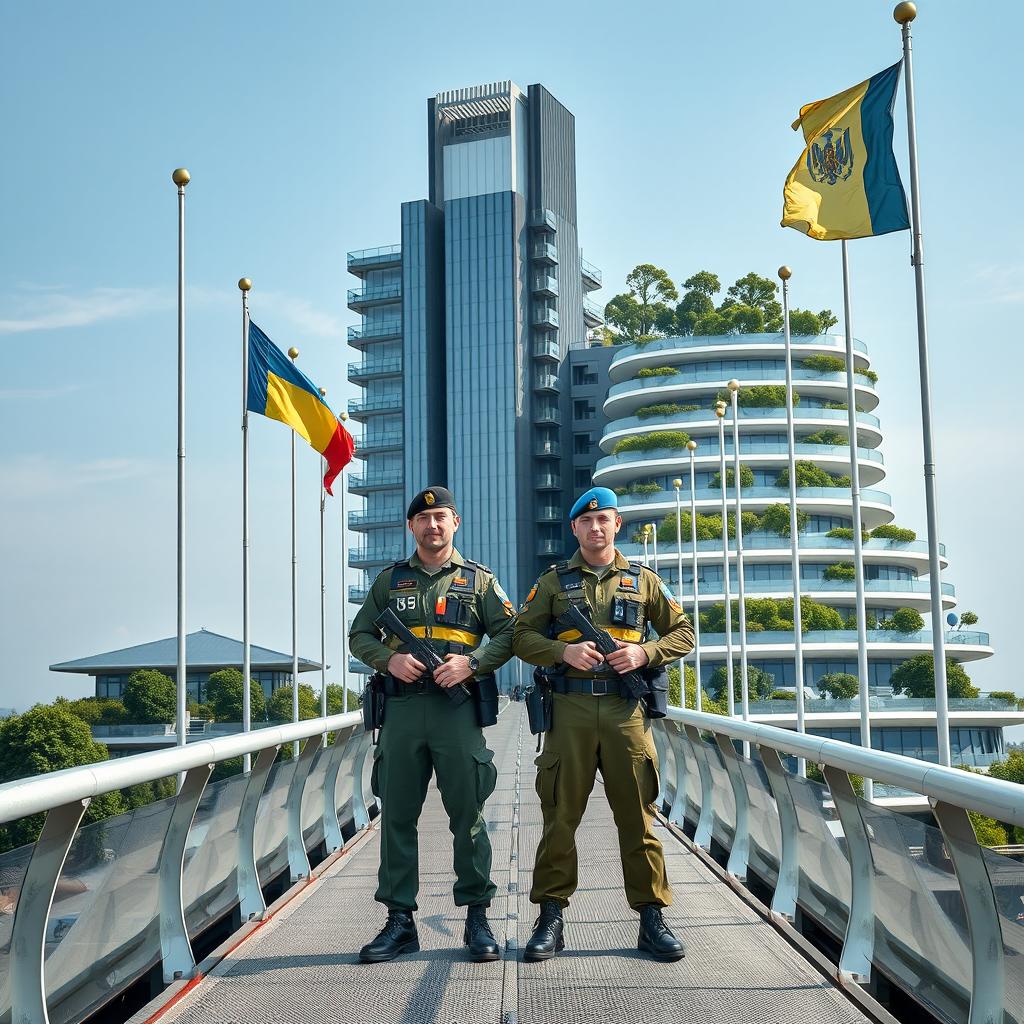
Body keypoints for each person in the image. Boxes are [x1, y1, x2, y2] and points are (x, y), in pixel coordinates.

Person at [513, 486, 694, 962]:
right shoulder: (552, 582)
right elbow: (520, 636)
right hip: (569, 711)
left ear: (618, 525)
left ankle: (652, 918)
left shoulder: (645, 581)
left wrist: (645, 652)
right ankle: (551, 917)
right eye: (586, 522)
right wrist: (562, 651)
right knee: (559, 818)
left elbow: (685, 632)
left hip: (625, 712)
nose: (596, 528)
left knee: (638, 819)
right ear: (574, 528)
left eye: (605, 520)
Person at [349, 485, 516, 963]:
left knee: (468, 815)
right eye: (423, 520)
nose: (432, 526)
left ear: (455, 523)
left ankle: (477, 918)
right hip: (400, 712)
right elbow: (359, 633)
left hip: (456, 713)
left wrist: (473, 664)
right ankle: (399, 922)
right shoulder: (390, 581)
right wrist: (387, 661)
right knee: (397, 817)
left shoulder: (479, 582)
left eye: (441, 517)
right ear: (411, 527)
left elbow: (509, 632)